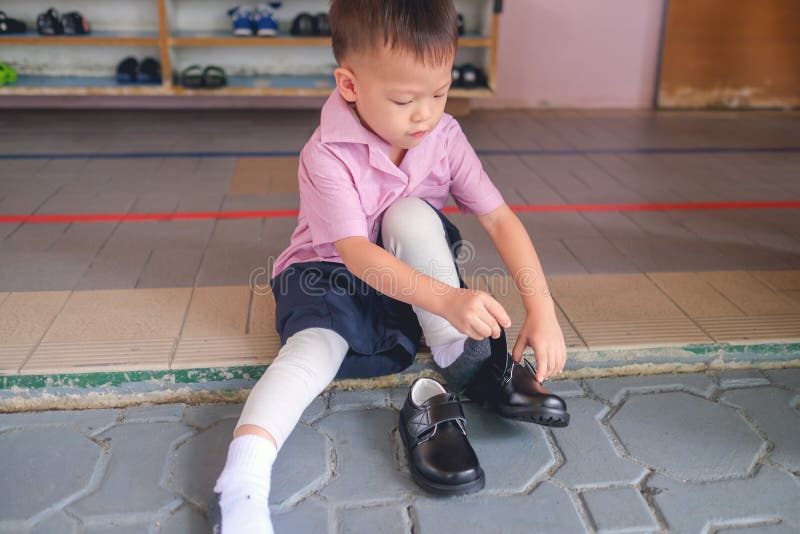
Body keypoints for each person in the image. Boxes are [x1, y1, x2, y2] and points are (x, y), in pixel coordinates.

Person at [212, 1, 568, 532]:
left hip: (407, 281)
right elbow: (356, 253)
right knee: (313, 351)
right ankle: (242, 483)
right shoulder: (326, 153)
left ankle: (460, 355)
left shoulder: (443, 135)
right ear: (350, 86)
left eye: (441, 91)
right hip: (329, 273)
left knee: (410, 214)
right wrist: (448, 299)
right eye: (404, 99)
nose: (426, 113)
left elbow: (499, 218)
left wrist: (543, 309)